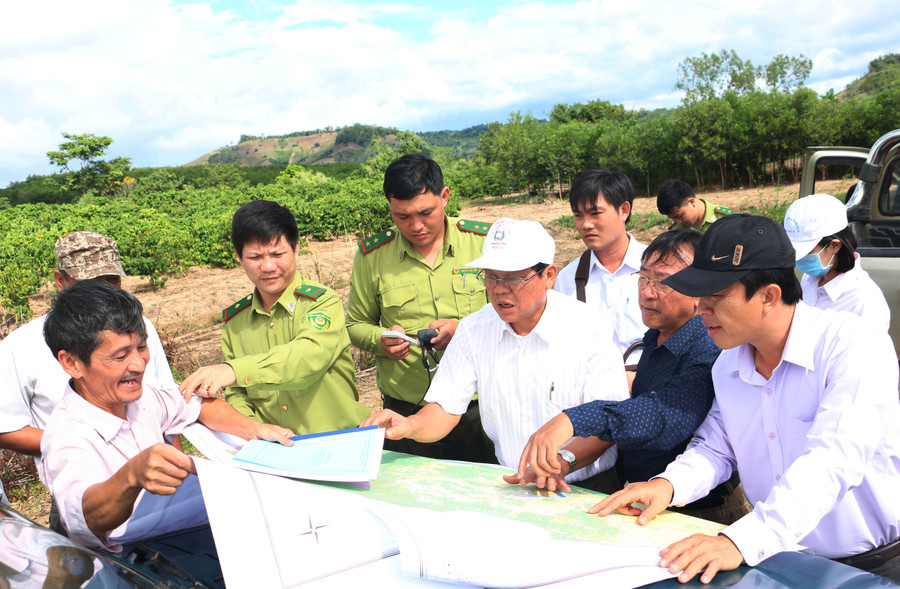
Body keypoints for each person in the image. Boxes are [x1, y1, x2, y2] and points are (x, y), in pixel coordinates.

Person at [592, 214, 900, 584]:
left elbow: (832, 461)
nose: (701, 308)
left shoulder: (852, 347)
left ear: (769, 295)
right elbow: (717, 447)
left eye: (716, 297)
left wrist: (741, 540)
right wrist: (668, 485)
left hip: (868, 565)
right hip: (779, 556)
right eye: (699, 294)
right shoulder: (729, 363)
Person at [363, 218, 629, 491]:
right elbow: (445, 409)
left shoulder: (589, 328)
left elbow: (610, 419)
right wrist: (410, 425)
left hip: (585, 486)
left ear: (549, 275)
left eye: (513, 278)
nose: (499, 289)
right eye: (491, 276)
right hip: (513, 487)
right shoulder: (473, 331)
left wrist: (562, 462)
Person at [512, 230, 749, 524]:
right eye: (643, 278)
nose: (647, 292)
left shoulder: (709, 345)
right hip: (647, 500)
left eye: (663, 282)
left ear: (699, 286)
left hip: (701, 510)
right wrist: (565, 460)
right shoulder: (656, 338)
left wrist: (573, 419)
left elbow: (665, 414)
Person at [40, 281, 294, 553]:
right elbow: (87, 514)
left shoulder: (143, 398)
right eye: (120, 355)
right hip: (131, 568)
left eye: (141, 347)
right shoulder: (67, 436)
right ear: (72, 363)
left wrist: (255, 429)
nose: (138, 364)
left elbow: (198, 405)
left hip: (184, 540)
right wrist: (131, 477)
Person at [346, 154, 495, 462]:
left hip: (481, 405)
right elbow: (356, 324)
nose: (416, 226)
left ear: (445, 196)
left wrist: (463, 330)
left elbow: (513, 313)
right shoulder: (372, 256)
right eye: (401, 217)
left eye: (426, 213)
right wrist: (381, 339)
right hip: (405, 408)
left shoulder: (482, 243)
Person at [0, 231, 176, 483]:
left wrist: (179, 472)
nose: (104, 292)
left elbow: (168, 406)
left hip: (160, 481)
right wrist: (90, 443)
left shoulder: (140, 327)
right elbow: (7, 428)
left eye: (112, 280)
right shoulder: (20, 347)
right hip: (84, 489)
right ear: (60, 281)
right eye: (91, 281)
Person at [180, 200, 369, 434]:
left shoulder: (322, 302)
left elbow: (306, 359)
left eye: (277, 254)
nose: (268, 266)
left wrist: (235, 370)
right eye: (255, 257)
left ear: (296, 248)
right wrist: (256, 429)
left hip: (337, 440)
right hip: (273, 449)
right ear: (239, 257)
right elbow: (238, 394)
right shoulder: (235, 322)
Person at [554, 170, 646, 364]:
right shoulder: (567, 279)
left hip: (655, 383)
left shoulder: (658, 269)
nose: (586, 224)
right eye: (578, 215)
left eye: (595, 213)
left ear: (624, 210)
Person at [783, 193, 890, 331]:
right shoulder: (811, 279)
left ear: (835, 245)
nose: (799, 260)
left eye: (806, 254)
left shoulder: (864, 302)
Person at [657, 179, 734, 232]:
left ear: (692, 202)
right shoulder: (675, 229)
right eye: (672, 218)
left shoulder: (728, 219)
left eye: (679, 216)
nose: (678, 222)